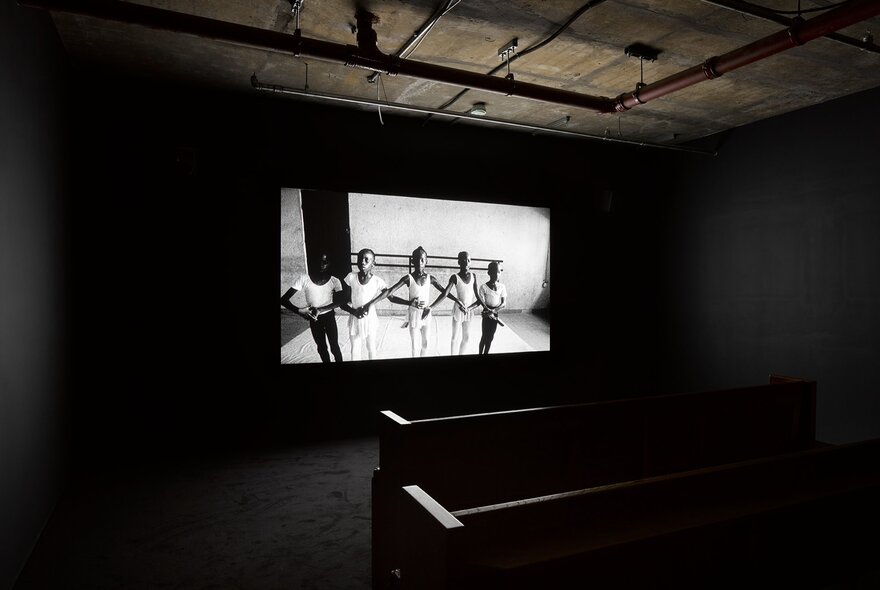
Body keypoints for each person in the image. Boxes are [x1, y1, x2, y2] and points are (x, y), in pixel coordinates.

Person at [383, 246, 453, 357]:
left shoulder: (431, 278)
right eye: (416, 259)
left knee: (426, 344)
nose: (419, 262)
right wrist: (409, 302)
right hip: (414, 315)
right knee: (415, 346)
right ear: (412, 261)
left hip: (426, 314)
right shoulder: (408, 278)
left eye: (422, 259)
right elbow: (389, 294)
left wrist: (432, 307)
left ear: (426, 261)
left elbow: (445, 293)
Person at [279, 251, 343, 363]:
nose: (321, 265)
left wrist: (320, 309)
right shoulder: (304, 279)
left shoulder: (335, 281)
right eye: (318, 261)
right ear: (312, 262)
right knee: (321, 347)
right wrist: (300, 311)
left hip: (329, 317)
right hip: (314, 319)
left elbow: (340, 302)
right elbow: (283, 300)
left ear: (329, 263)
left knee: (334, 346)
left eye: (325, 262)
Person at [341, 248, 388, 361]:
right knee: (355, 349)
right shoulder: (351, 277)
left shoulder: (377, 281)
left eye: (366, 260)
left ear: (373, 263)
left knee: (371, 347)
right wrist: (353, 311)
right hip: (355, 317)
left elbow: (387, 292)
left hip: (370, 318)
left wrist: (369, 305)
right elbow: (343, 301)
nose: (362, 262)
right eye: (360, 259)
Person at [447, 251, 481, 355]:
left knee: (466, 337)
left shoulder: (473, 276)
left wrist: (469, 308)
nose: (466, 262)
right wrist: (457, 300)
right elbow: (446, 293)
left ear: (470, 262)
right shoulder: (454, 277)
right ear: (459, 262)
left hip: (468, 310)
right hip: (458, 309)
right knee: (454, 337)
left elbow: (478, 299)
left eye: (469, 260)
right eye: (464, 260)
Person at [477, 260, 507, 355]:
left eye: (498, 272)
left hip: (495, 313)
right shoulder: (483, 287)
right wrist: (487, 311)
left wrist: (493, 311)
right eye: (493, 271)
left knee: (490, 337)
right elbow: (481, 301)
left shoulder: (502, 287)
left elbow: (503, 303)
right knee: (484, 336)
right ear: (489, 272)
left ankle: (486, 353)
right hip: (486, 313)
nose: (496, 274)